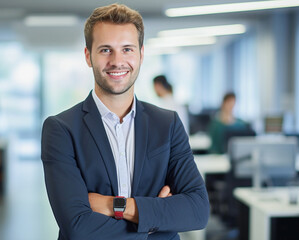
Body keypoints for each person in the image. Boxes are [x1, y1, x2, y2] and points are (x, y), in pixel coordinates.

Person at [41, 4, 209, 239]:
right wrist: (154, 222)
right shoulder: (61, 129)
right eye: (105, 50)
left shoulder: (167, 124)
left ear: (141, 55)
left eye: (127, 49)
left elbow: (198, 211)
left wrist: (115, 206)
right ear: (88, 56)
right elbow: (78, 226)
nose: (117, 61)